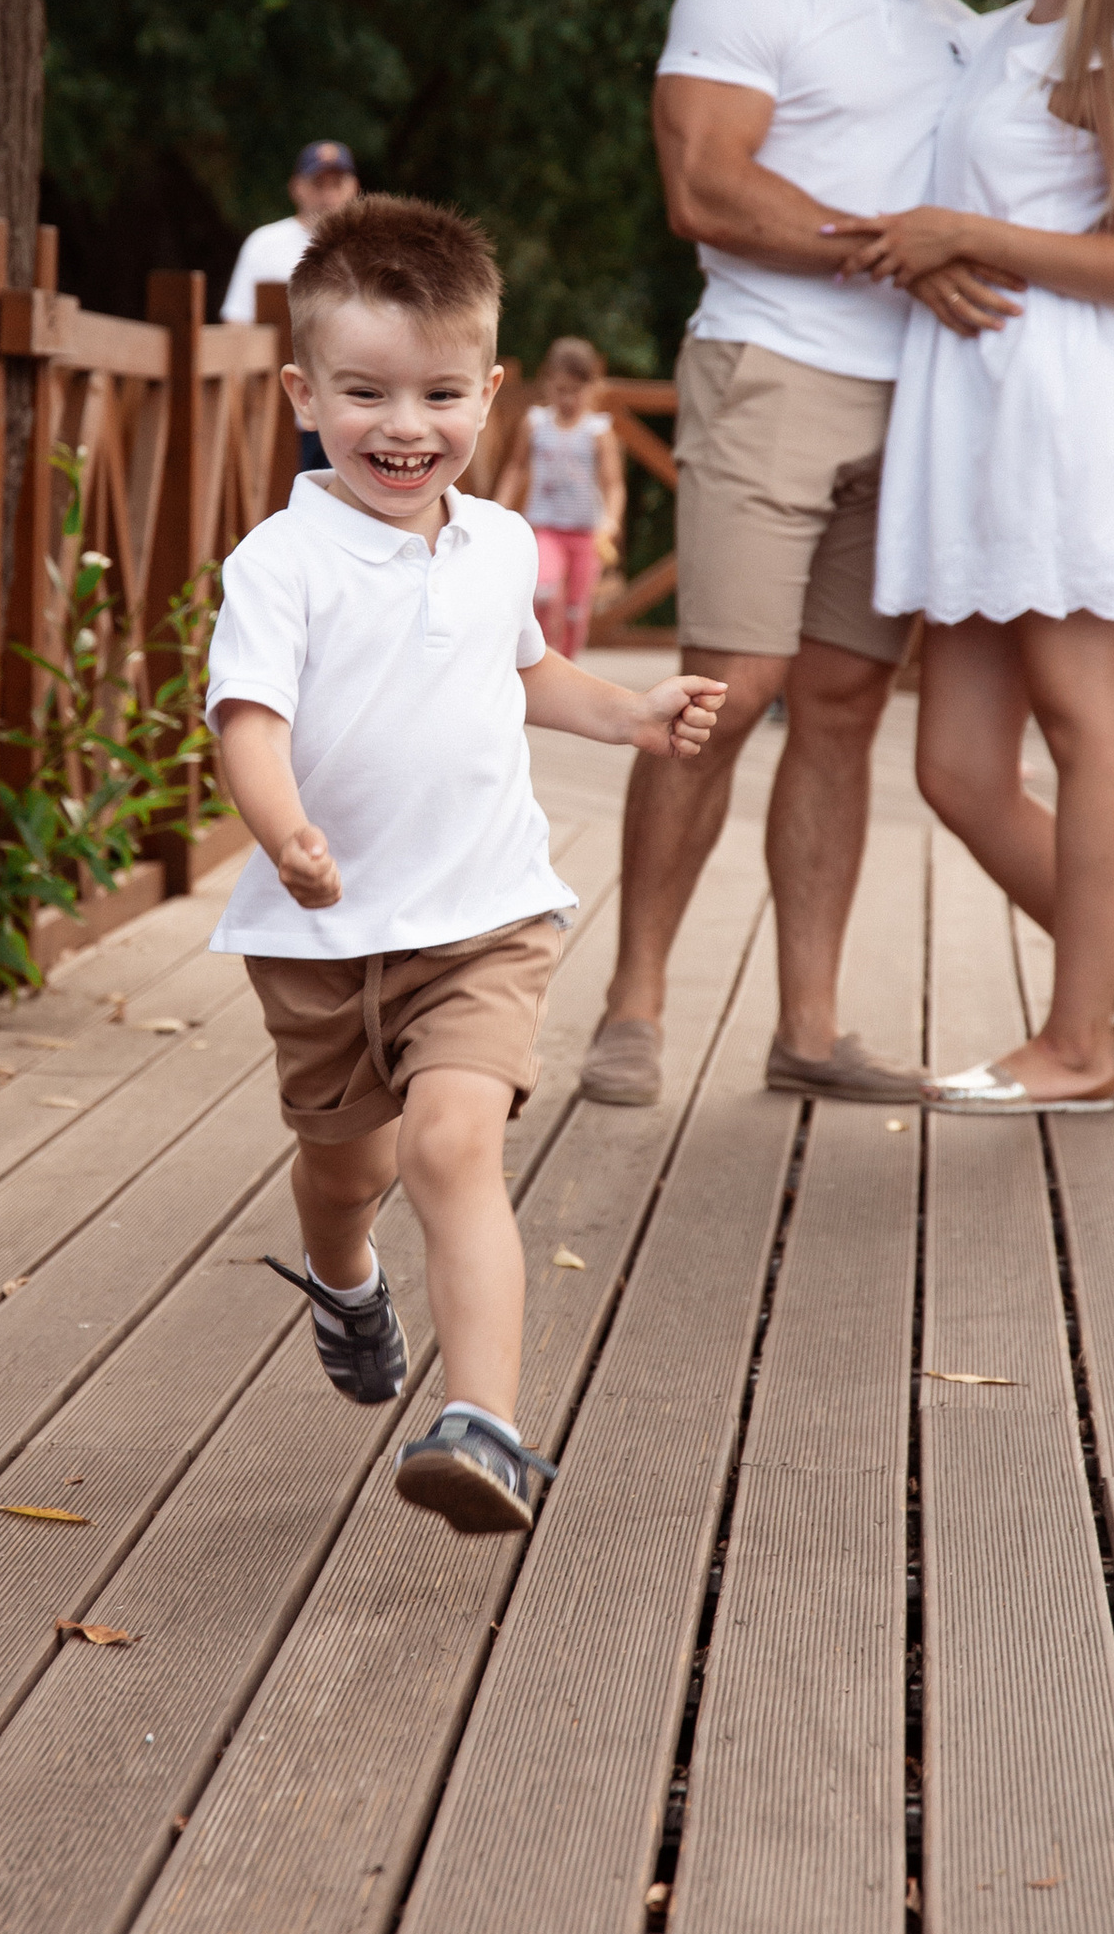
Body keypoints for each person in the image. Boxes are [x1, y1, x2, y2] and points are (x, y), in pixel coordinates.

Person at [205, 194, 724, 1534]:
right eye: (366, 391)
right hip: (324, 938)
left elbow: (531, 671)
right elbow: (246, 722)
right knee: (347, 1174)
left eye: (440, 393)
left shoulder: (496, 545)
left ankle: (483, 1425)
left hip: (485, 919)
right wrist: (284, 833)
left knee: (451, 1148)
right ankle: (344, 1277)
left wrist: (633, 713)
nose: (405, 426)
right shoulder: (281, 563)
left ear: (489, 391)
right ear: (302, 393)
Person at [581, 0, 1015, 1112]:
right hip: (768, 368)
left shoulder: (961, 33)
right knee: (729, 692)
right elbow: (708, 187)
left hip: (917, 400)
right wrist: (898, 245)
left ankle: (810, 1029)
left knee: (840, 705)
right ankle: (634, 1006)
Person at [837, 0, 1114, 1107]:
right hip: (970, 414)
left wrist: (965, 239)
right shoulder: (992, 39)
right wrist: (929, 252)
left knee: (1083, 717)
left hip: (1060, 406)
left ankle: (1080, 1045)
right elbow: (936, 208)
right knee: (954, 767)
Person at [495, 336, 625, 661]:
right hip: (546, 527)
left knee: (576, 608)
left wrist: (611, 520)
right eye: (560, 388)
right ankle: (542, 656)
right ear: (547, 382)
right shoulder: (535, 423)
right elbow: (515, 467)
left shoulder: (598, 431)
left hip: (585, 533)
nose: (567, 398)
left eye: (576, 390)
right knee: (543, 589)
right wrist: (497, 508)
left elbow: (613, 484)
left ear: (592, 386)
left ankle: (568, 663)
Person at [220, 140, 361, 323]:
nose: (329, 196)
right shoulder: (264, 243)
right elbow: (237, 320)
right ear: (296, 188)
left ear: (354, 188)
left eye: (337, 184)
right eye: (318, 184)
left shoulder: (374, 248)